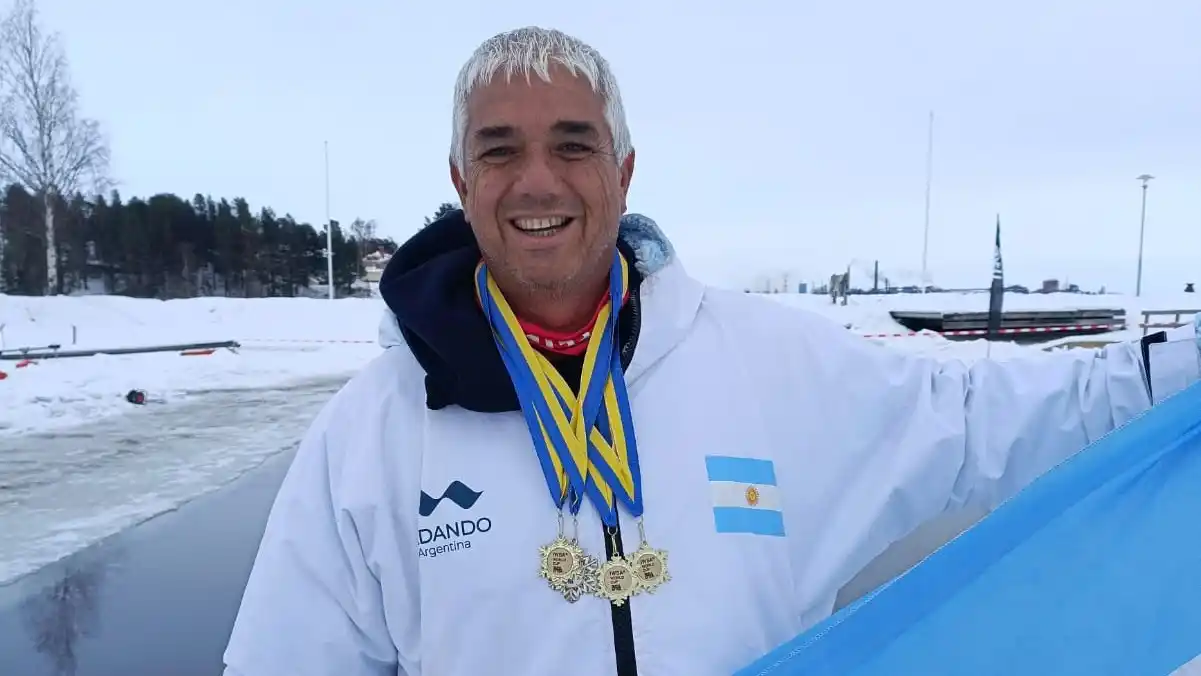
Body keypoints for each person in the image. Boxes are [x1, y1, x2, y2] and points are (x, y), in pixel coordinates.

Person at [222, 26, 1201, 676]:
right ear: (459, 178)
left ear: (623, 169)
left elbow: (985, 418)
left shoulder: (775, 365)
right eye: (498, 149)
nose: (536, 180)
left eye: (572, 143)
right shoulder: (375, 431)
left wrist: (1180, 371)